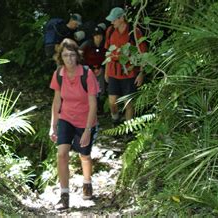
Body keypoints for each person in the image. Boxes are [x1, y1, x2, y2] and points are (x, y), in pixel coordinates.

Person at [49, 38, 99, 210]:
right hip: (66, 118)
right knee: (62, 154)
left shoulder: (87, 74)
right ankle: (64, 195)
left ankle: (87, 182)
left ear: (77, 56)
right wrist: (53, 125)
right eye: (65, 55)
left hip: (85, 120)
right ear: (60, 57)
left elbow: (93, 103)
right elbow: (56, 101)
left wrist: (87, 130)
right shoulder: (58, 74)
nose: (69, 59)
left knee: (84, 155)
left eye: (71, 55)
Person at [104, 7, 147, 124]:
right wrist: (106, 71)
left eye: (114, 20)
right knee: (112, 102)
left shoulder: (134, 32)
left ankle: (128, 129)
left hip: (129, 72)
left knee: (129, 103)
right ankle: (116, 122)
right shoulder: (110, 31)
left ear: (122, 18)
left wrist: (141, 73)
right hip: (113, 71)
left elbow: (143, 54)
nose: (112, 22)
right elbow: (108, 53)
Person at [80, 26, 107, 113]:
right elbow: (78, 54)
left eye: (100, 36)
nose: (98, 38)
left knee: (100, 88)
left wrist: (100, 67)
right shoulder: (87, 44)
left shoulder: (105, 45)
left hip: (100, 69)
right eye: (96, 36)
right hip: (88, 69)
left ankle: (99, 106)